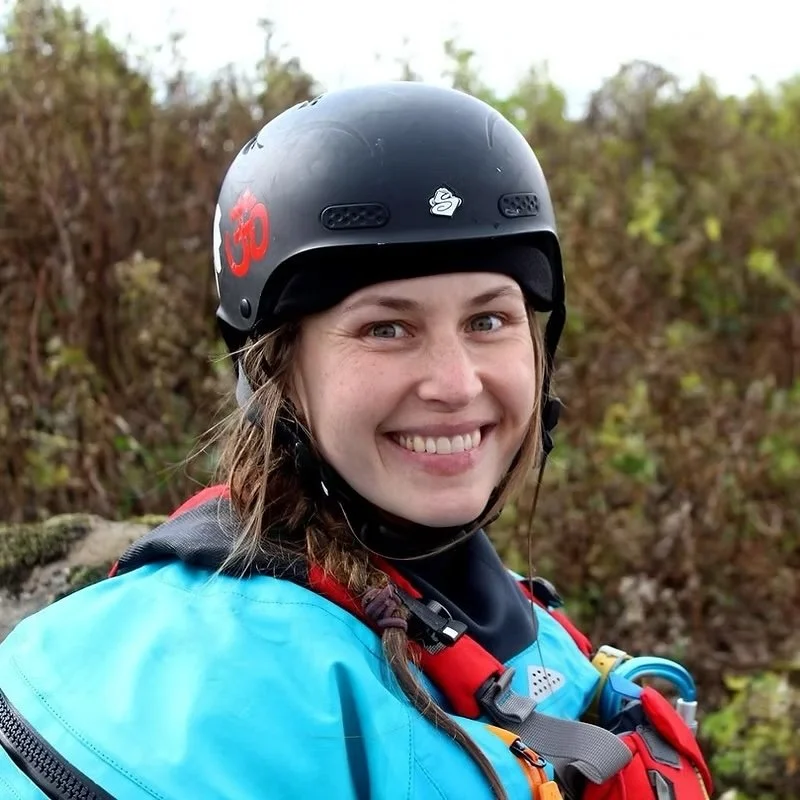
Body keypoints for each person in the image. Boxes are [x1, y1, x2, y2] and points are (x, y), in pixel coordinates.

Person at [0, 82, 712, 800]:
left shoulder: (511, 619)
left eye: (489, 320)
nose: (456, 383)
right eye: (386, 328)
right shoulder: (206, 693)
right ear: (273, 364)